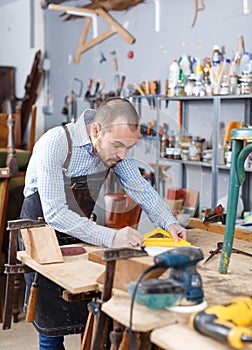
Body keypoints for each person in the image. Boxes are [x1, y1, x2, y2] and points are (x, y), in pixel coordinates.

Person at [20, 97, 187, 349]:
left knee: (94, 309)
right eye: (118, 146)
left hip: (78, 233)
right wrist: (112, 237)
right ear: (96, 130)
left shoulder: (116, 151)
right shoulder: (55, 143)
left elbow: (140, 188)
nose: (122, 155)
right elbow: (55, 213)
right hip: (42, 234)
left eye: (128, 149)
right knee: (52, 327)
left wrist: (169, 222)